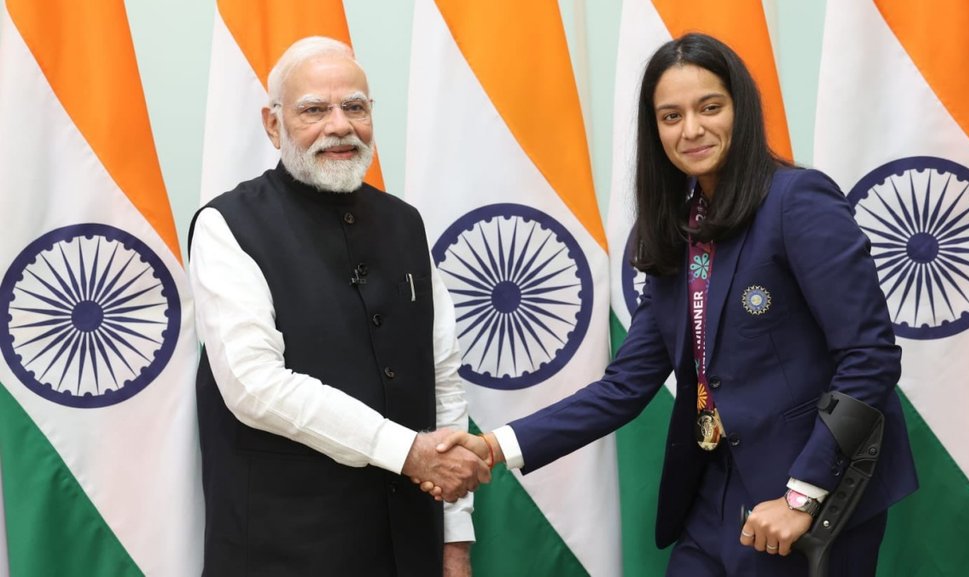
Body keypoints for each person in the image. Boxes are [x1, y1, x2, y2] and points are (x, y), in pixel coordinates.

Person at [428, 33, 918, 577]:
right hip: (711, 497)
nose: (691, 130)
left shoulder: (797, 200)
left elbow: (869, 355)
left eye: (710, 107)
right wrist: (494, 446)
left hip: (803, 500)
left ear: (741, 109)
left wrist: (803, 495)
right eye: (671, 116)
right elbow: (625, 386)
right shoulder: (673, 229)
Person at [188, 36, 487, 577]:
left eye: (354, 107)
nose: (340, 126)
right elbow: (255, 386)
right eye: (314, 110)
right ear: (273, 124)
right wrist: (407, 451)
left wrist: (454, 539)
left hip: (408, 548)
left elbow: (441, 379)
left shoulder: (404, 223)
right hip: (282, 552)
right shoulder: (227, 225)